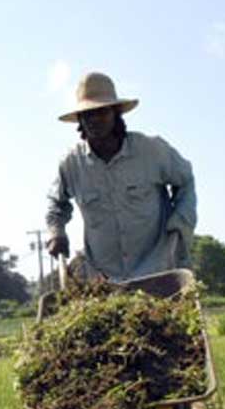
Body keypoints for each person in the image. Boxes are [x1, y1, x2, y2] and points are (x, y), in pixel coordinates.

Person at [46, 71, 197, 281]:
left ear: (116, 114)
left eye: (102, 112)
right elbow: (56, 203)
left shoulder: (152, 151)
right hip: (104, 279)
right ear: (80, 120)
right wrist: (56, 232)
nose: (95, 120)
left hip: (160, 270)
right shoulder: (71, 165)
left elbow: (186, 180)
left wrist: (180, 224)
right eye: (88, 114)